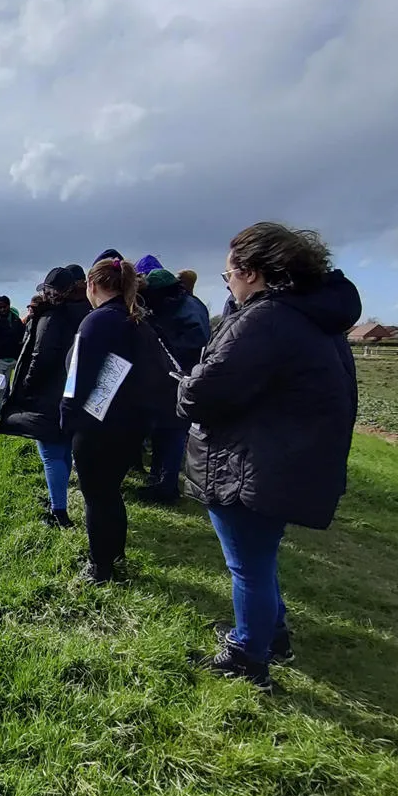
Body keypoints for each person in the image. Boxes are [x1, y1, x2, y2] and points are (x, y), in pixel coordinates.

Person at [178, 223, 360, 691]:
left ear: (252, 273)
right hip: (284, 457)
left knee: (248, 567)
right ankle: (270, 634)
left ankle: (247, 655)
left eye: (228, 277)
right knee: (260, 558)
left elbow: (203, 393)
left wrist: (185, 383)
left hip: (253, 463)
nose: (229, 286)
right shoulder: (313, 316)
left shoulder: (266, 320)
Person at [61, 258, 145, 583]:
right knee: (111, 492)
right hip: (129, 422)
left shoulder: (95, 322)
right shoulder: (134, 318)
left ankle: (100, 567)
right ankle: (116, 553)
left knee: (95, 496)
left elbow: (77, 378)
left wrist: (67, 419)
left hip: (96, 425)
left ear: (92, 287)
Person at [0, 267, 91, 528]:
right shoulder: (86, 312)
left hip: (48, 393)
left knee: (50, 454)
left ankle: (58, 511)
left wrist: (27, 385)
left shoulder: (52, 317)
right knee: (64, 449)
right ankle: (64, 504)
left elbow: (41, 357)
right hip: (73, 391)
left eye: (47, 290)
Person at [136, 269, 211, 503]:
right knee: (165, 430)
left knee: (173, 431)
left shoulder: (180, 308)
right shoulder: (185, 304)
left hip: (179, 376)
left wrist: (161, 336)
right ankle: (158, 480)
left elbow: (194, 342)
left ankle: (166, 486)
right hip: (177, 375)